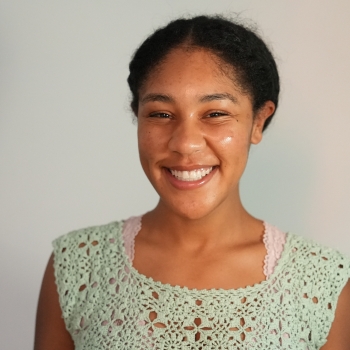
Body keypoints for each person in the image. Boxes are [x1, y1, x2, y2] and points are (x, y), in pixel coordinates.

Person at [34, 15, 350, 349]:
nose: (185, 144)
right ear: (137, 117)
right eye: (160, 114)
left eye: (215, 114)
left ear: (258, 121)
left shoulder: (323, 283)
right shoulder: (77, 266)